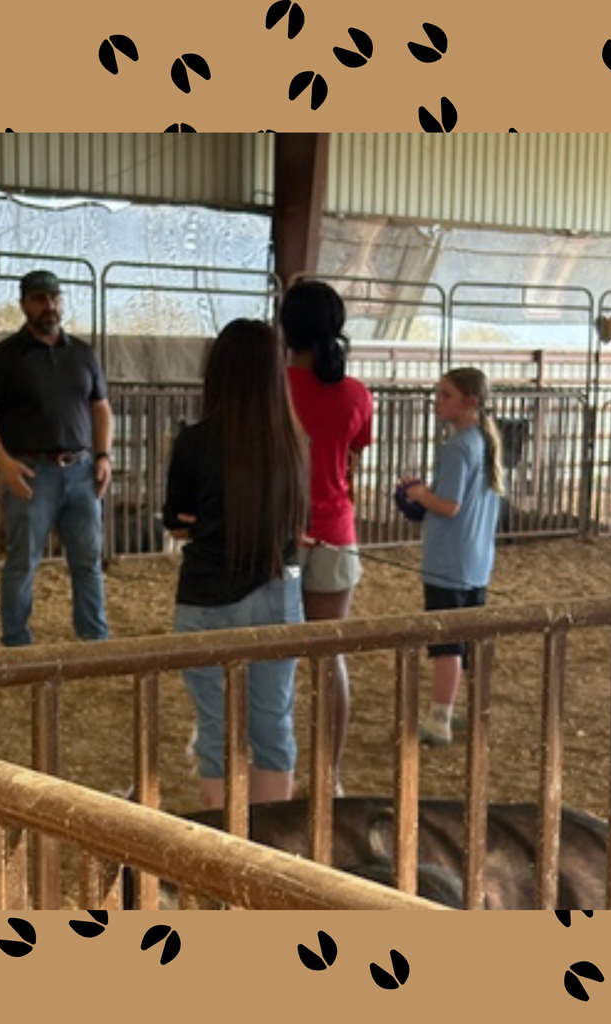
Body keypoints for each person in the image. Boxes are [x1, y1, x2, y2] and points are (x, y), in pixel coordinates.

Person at [163, 319, 308, 810]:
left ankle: (224, 859)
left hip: (206, 598)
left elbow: (177, 523)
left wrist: (201, 521)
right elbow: (294, 524)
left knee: (217, 734)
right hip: (275, 596)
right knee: (272, 726)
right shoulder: (291, 445)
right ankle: (271, 851)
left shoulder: (195, 441)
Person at [0, 269, 113, 647]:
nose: (49, 306)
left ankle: (95, 638)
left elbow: (101, 409)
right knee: (23, 562)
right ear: (24, 305)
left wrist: (103, 456)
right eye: (39, 299)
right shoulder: (3, 358)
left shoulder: (82, 353)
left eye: (54, 297)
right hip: (32, 472)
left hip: (81, 470)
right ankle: (16, 640)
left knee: (88, 562)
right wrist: (3, 462)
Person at [279, 279, 373, 795]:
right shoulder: (356, 394)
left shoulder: (274, 387)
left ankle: (276, 767)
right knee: (329, 654)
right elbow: (354, 456)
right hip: (336, 529)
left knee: (272, 653)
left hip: (280, 532)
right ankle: (329, 773)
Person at [398, 367, 503, 745]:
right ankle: (464, 708)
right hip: (475, 560)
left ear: (469, 402)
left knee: (446, 644)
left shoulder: (458, 447)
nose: (437, 401)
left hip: (448, 561)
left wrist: (416, 492)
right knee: (467, 639)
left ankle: (439, 717)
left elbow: (449, 505)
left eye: (446, 395)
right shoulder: (485, 442)